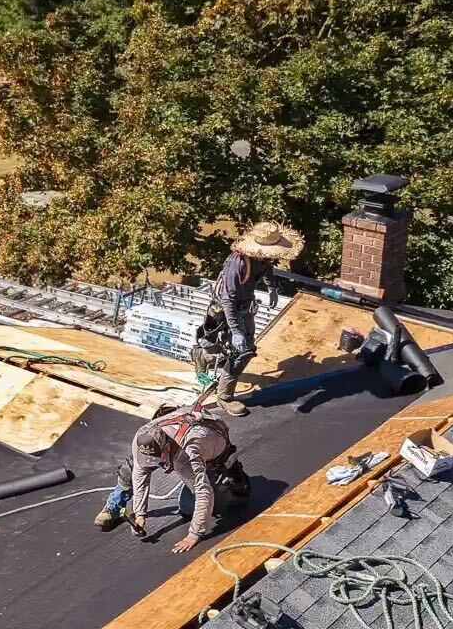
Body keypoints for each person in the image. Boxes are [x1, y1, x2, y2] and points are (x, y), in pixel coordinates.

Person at [94, 404, 250, 552]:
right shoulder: (141, 436)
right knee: (131, 467)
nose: (152, 463)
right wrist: (139, 514)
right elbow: (140, 475)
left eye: (156, 458)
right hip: (179, 432)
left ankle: (233, 477)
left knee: (190, 507)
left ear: (166, 448)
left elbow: (203, 492)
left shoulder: (188, 453)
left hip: (213, 445)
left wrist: (194, 534)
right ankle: (113, 506)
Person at [191, 221, 303, 416]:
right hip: (224, 309)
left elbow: (266, 269)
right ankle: (217, 384)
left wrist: (272, 287)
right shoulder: (238, 264)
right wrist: (235, 331)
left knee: (244, 351)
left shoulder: (262, 258)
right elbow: (228, 300)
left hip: (244, 307)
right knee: (229, 349)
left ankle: (221, 389)